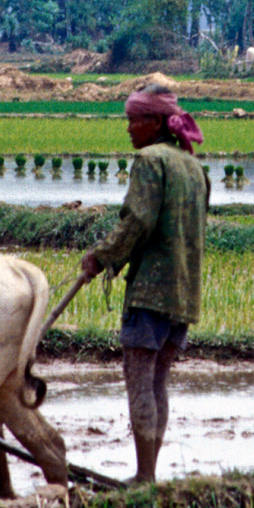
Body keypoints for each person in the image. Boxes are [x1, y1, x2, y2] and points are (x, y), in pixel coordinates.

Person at [78, 76, 210, 484]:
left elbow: (138, 220)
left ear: (153, 122)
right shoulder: (193, 166)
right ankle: (148, 473)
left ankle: (144, 476)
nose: (128, 128)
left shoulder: (151, 160)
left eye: (133, 120)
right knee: (158, 383)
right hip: (183, 292)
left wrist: (101, 256)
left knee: (139, 381)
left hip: (151, 291)